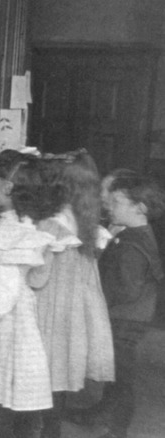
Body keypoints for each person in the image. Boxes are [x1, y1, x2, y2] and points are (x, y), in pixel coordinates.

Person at [0, 150, 60, 437]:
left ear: (7, 188)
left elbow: (5, 285)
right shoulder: (18, 225)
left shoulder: (10, 230)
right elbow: (35, 277)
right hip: (7, 319)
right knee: (3, 390)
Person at [69, 171, 165, 438]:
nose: (111, 206)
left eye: (119, 202)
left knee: (122, 378)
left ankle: (118, 429)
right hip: (129, 317)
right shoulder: (135, 235)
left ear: (140, 208)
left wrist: (98, 296)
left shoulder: (134, 243)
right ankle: (104, 416)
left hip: (127, 319)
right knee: (117, 373)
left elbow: (127, 288)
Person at [28, 151, 115, 438]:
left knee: (41, 376)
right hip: (73, 314)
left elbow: (38, 278)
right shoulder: (87, 224)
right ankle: (50, 431)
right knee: (59, 376)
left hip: (49, 309)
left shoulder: (51, 225)